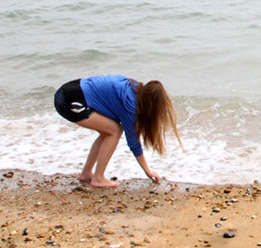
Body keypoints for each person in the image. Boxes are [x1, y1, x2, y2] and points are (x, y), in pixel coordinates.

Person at [52, 75, 182, 188]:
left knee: (107, 131)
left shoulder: (133, 87)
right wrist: (147, 171)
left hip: (70, 90)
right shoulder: (130, 104)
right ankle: (98, 178)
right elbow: (133, 142)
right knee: (114, 131)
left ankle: (86, 173)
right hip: (69, 100)